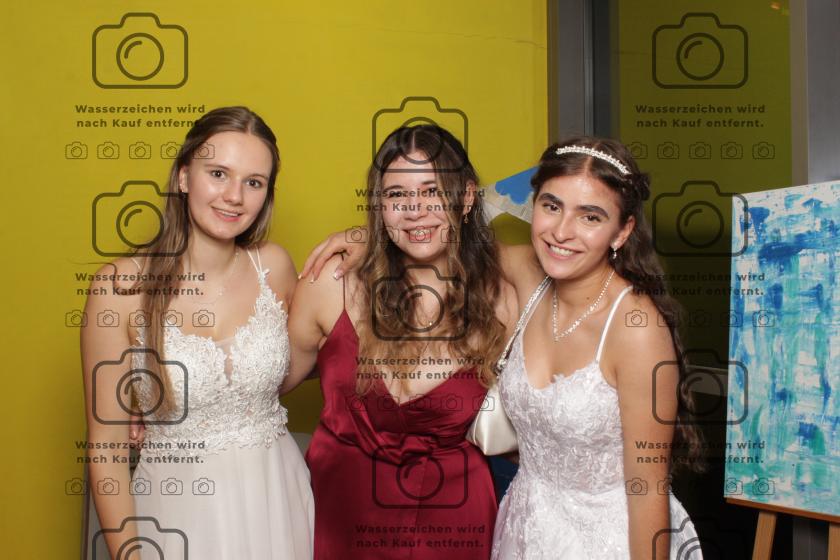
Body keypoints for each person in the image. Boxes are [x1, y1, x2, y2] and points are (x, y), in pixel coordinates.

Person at [301, 137, 705, 559]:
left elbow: (648, 488)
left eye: (590, 216)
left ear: (622, 231)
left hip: (605, 540)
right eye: (551, 206)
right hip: (523, 526)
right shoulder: (528, 276)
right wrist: (372, 236)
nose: (562, 231)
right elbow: (443, 235)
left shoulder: (637, 328)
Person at [81, 106, 314, 559]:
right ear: (184, 177)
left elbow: (322, 350)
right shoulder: (119, 289)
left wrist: (354, 245)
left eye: (254, 182)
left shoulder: (274, 266)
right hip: (178, 511)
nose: (234, 196)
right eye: (218, 173)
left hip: (277, 500)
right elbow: (106, 450)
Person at [281, 124, 517, 559]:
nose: (414, 210)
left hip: (455, 521)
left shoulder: (505, 298)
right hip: (339, 514)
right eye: (396, 196)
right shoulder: (331, 283)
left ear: (467, 196)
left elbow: (571, 232)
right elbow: (263, 390)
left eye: (432, 191)